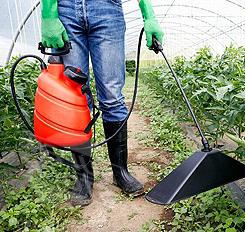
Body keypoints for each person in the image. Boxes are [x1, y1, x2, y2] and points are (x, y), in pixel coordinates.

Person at [40, 0, 164, 206]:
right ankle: (84, 177)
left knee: (113, 97)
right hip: (66, 9)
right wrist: (48, 14)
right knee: (74, 98)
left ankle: (120, 172)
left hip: (107, 8)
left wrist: (149, 15)